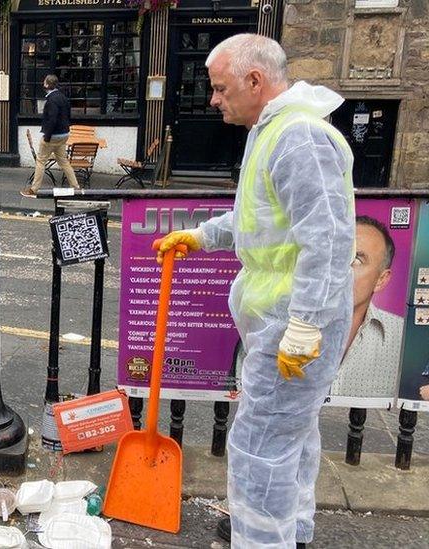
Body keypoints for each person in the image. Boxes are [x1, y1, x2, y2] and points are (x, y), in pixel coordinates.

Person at [155, 34, 355, 548]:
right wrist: (200, 236)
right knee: (292, 436)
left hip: (292, 324)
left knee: (259, 444)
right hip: (283, 320)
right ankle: (290, 530)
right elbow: (260, 220)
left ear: (254, 80)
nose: (214, 99)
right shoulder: (273, 131)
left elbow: (328, 241)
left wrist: (305, 327)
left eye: (220, 89)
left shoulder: (298, 138)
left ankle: (261, 538)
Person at [330, 215, 404, 398]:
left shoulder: (401, 337)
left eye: (356, 260)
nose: (341, 269)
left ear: (381, 280)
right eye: (336, 255)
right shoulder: (276, 326)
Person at [21, 74, 80, 197]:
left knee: (41, 161)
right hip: (64, 134)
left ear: (47, 85)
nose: (43, 84)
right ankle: (76, 187)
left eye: (44, 82)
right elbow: (69, 115)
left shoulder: (51, 100)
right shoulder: (63, 97)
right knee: (64, 161)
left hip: (53, 135)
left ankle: (34, 190)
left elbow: (52, 120)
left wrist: (47, 136)